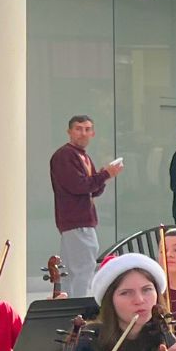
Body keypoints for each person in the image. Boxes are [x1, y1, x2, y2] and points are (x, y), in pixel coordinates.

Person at [50, 115, 121, 298]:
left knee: (69, 269)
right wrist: (105, 174)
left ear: (93, 133)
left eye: (87, 129)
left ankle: (67, 304)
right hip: (76, 219)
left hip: (79, 219)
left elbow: (93, 190)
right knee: (83, 268)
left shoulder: (83, 156)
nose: (83, 133)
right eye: (79, 128)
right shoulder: (65, 155)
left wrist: (103, 176)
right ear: (69, 132)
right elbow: (78, 186)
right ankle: (77, 305)